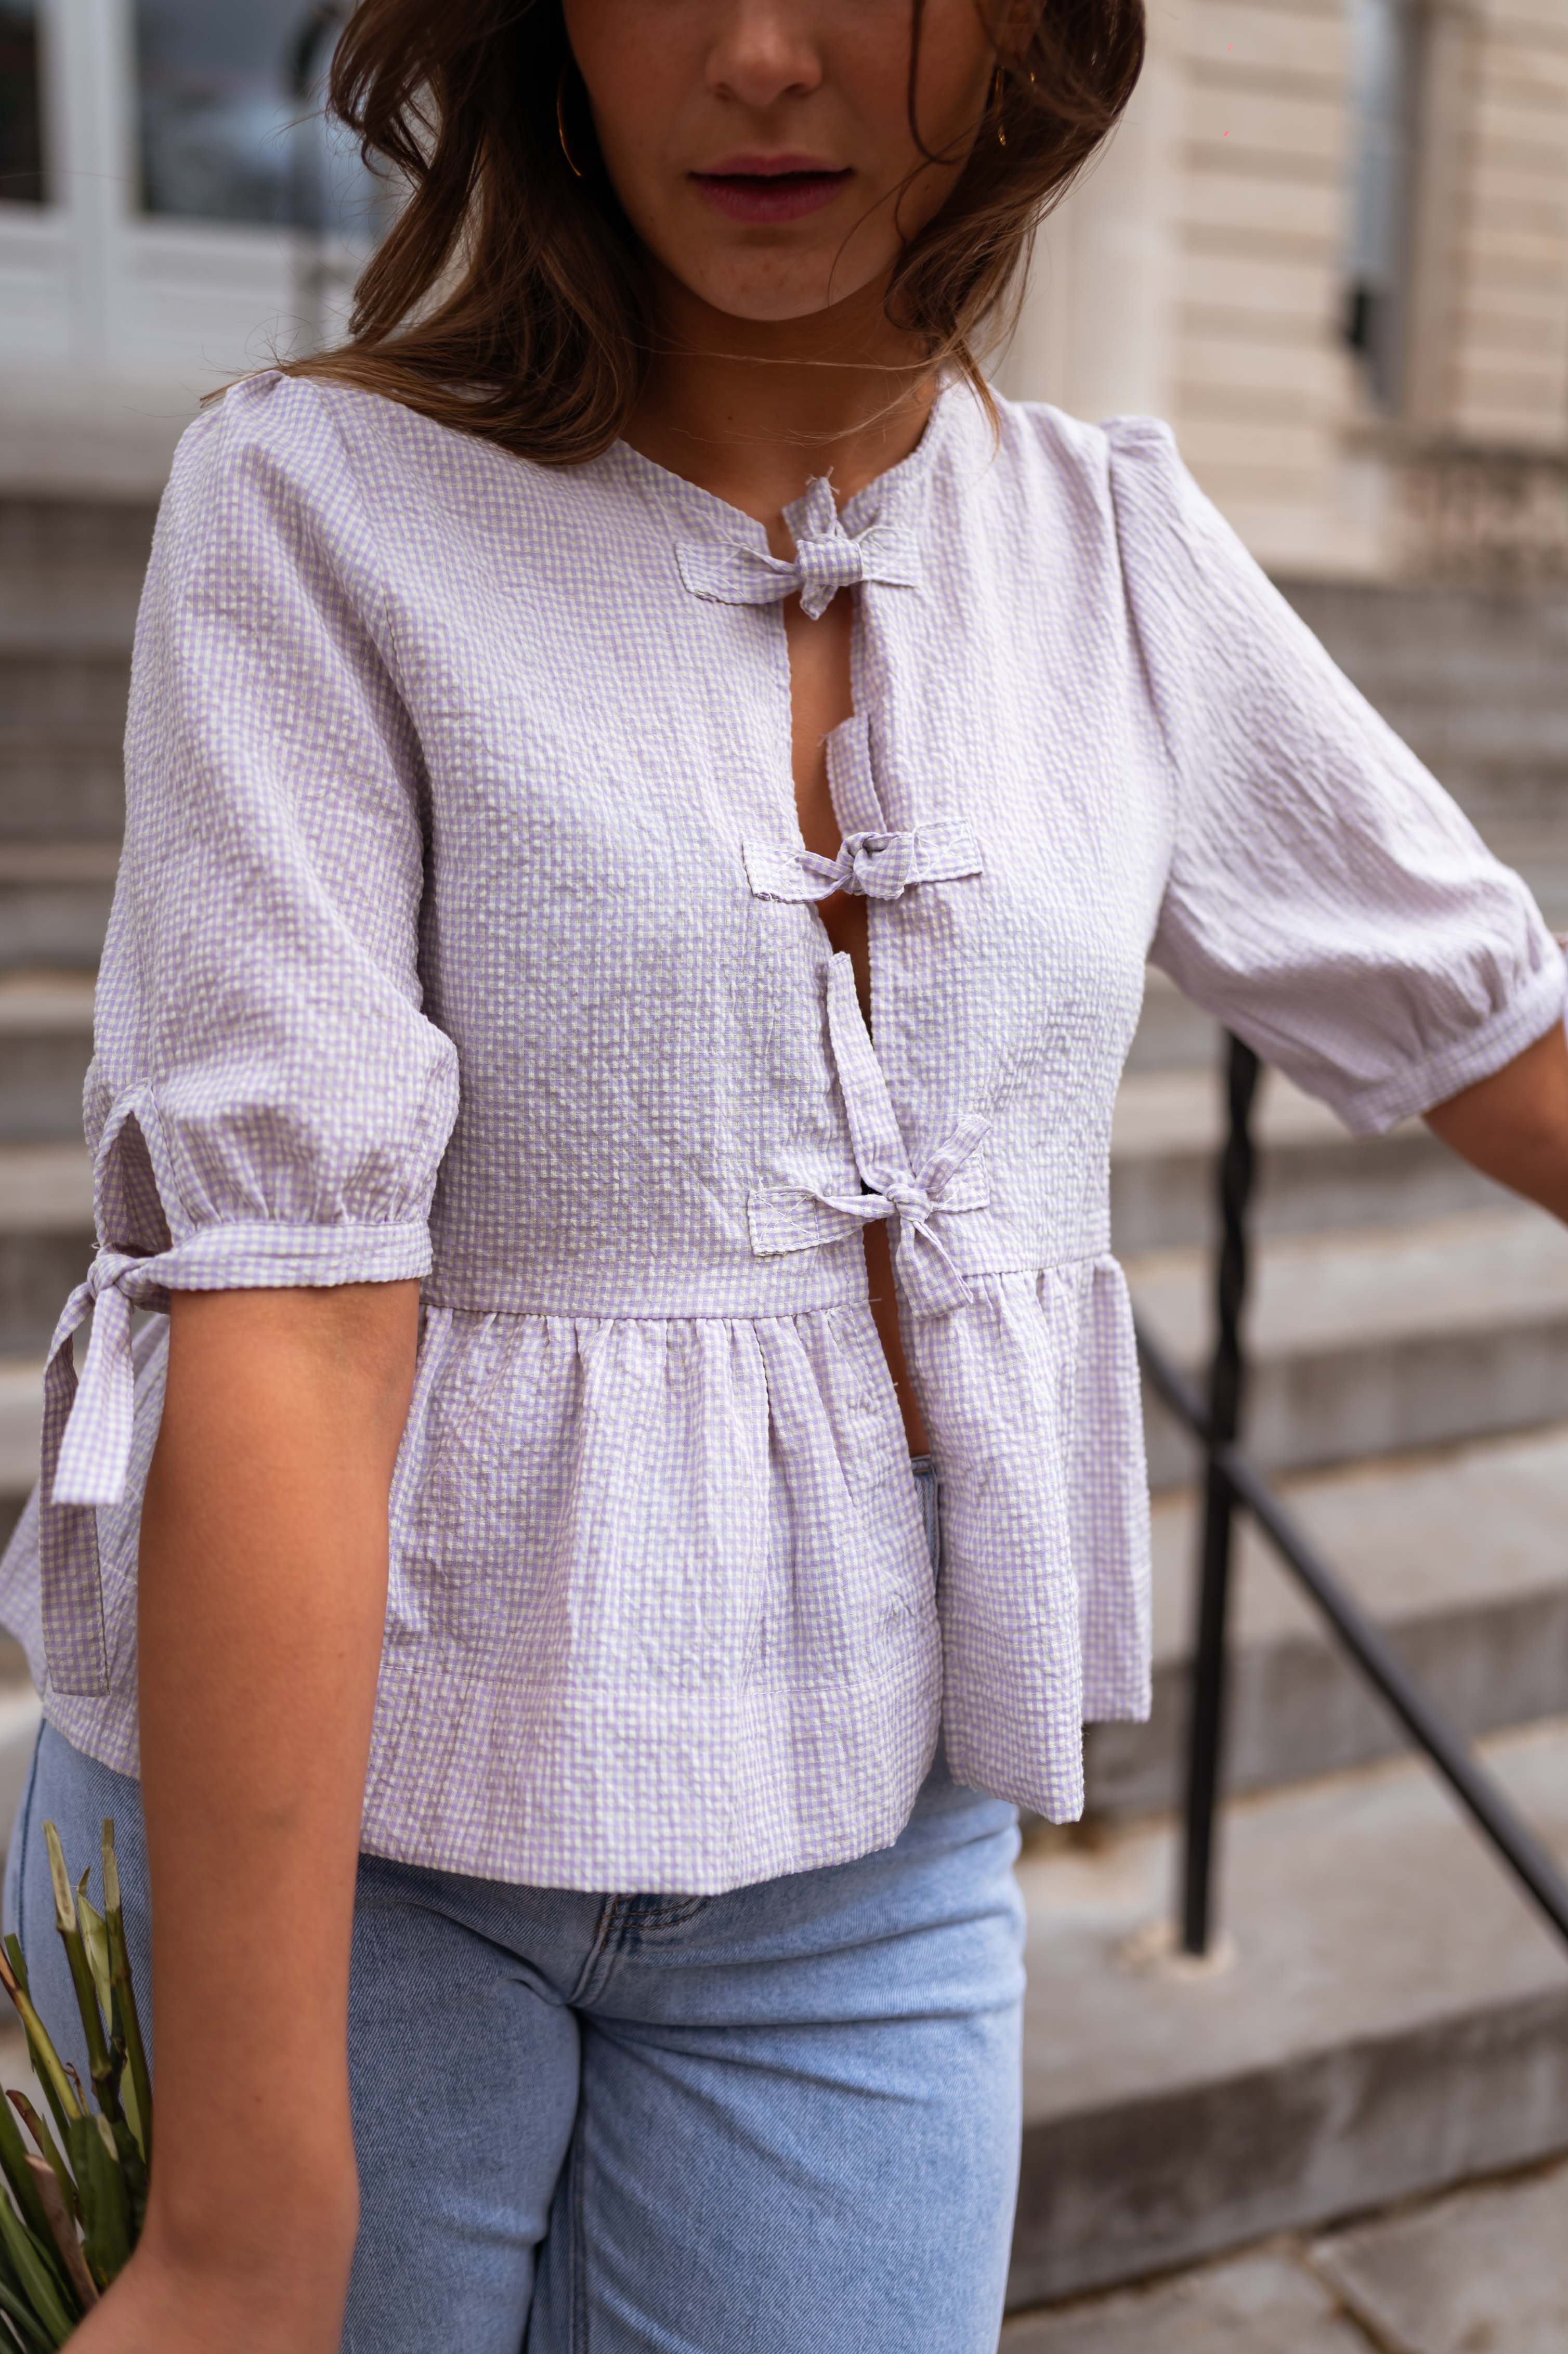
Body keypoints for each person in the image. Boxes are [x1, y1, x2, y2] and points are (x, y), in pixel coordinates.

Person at [4, 1, 1567, 2346]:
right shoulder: (317, 505)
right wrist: (240, 2219)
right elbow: (290, 1306)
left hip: (866, 1854)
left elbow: (1489, 1019)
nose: (757, 59)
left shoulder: (1106, 543)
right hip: (319, 1871)